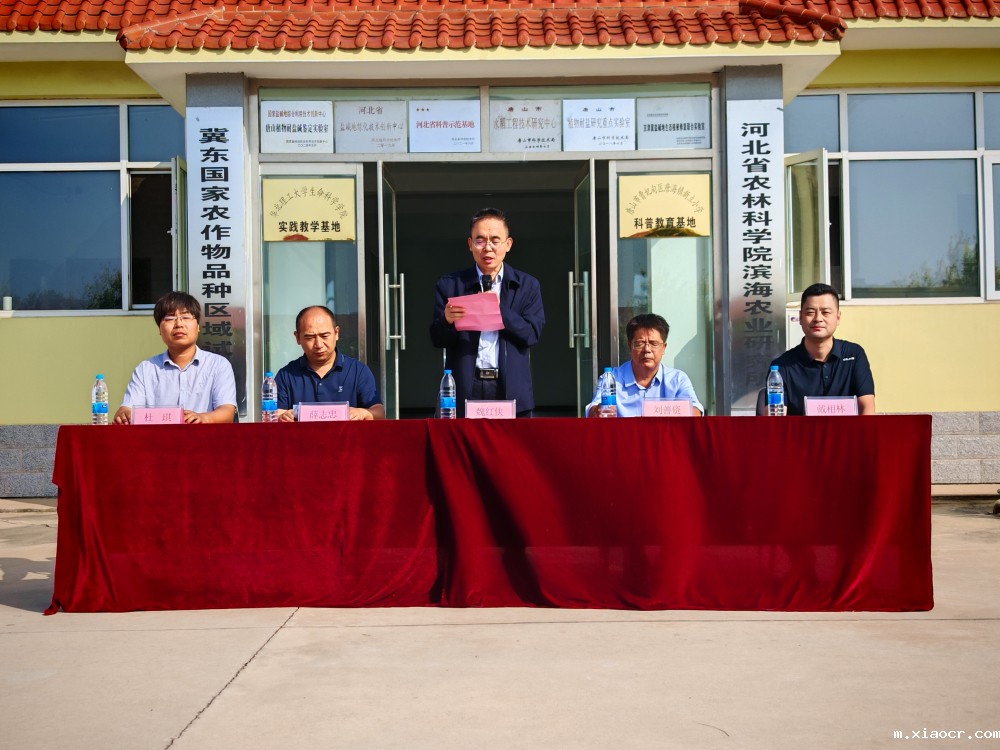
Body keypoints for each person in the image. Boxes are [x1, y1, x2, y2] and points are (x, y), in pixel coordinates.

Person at [430, 207, 545, 417]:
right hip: (466, 386)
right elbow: (437, 340)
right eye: (480, 240)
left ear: (508, 244)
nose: (487, 248)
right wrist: (447, 321)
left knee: (512, 440)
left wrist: (498, 308)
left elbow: (531, 334)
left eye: (495, 240)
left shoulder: (527, 286)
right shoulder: (451, 285)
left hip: (510, 388)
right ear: (470, 244)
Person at [114, 291, 237, 424]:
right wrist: (124, 414)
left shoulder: (218, 365)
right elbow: (127, 408)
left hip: (204, 436)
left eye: (186, 317)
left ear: (198, 326)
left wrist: (203, 418)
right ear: (160, 330)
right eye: (169, 318)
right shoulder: (145, 369)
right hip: (157, 437)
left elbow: (227, 412)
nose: (179, 324)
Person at [764, 282, 876, 416]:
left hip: (847, 431)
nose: (818, 319)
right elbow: (775, 421)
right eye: (810, 312)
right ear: (800, 317)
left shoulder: (854, 355)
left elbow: (867, 409)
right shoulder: (781, 367)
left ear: (838, 318)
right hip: (801, 431)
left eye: (826, 312)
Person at [274, 305, 384, 421]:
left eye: (324, 336)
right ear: (297, 338)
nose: (318, 344)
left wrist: (362, 413)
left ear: (336, 333)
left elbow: (379, 412)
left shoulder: (358, 371)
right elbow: (274, 414)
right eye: (310, 337)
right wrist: (283, 416)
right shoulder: (286, 375)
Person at [586, 313, 704, 417]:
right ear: (630, 346)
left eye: (653, 344)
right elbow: (593, 409)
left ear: (664, 348)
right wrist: (598, 411)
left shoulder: (677, 379)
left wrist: (660, 412)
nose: (647, 350)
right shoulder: (611, 378)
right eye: (640, 343)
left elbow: (696, 412)